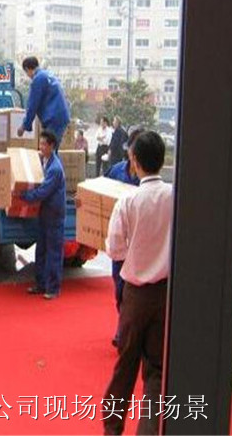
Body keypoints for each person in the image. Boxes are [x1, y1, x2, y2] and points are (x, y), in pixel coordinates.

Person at [102, 130, 173, 435]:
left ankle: (112, 428)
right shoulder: (175, 196)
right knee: (157, 369)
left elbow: (115, 249)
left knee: (126, 365)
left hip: (135, 294)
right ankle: (149, 429)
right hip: (166, 293)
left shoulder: (128, 201)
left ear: (134, 160)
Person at [104, 127, 143, 347]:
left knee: (134, 292)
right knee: (119, 289)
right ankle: (123, 326)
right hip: (120, 244)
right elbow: (99, 191)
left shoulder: (144, 182)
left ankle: (125, 332)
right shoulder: (117, 170)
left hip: (137, 245)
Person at [20, 130, 66, 299]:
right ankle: (41, 284)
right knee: (41, 251)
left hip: (54, 215)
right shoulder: (43, 161)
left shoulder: (55, 168)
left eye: (44, 144)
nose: (41, 147)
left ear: (52, 146)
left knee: (53, 252)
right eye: (40, 143)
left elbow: (43, 192)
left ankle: (53, 288)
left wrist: (24, 196)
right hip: (44, 214)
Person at [16, 56, 70, 146]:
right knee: (52, 147)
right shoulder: (47, 74)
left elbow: (32, 105)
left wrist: (24, 126)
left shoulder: (38, 79)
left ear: (27, 69)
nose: (28, 76)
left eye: (26, 73)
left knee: (48, 148)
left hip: (53, 118)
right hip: (60, 116)